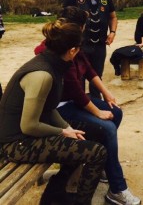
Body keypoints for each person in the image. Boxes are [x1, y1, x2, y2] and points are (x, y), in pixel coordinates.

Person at [35, 7, 141, 205]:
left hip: (74, 100)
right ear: (80, 27)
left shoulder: (74, 43)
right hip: (57, 108)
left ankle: (101, 162)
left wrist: (107, 93)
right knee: (107, 127)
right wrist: (97, 112)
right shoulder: (55, 48)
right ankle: (117, 189)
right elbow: (74, 86)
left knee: (116, 113)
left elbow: (89, 70)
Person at [0, 19, 107, 205]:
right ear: (73, 51)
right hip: (15, 144)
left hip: (26, 135)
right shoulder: (42, 75)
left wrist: (67, 127)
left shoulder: (52, 63)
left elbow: (48, 109)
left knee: (95, 132)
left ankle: (54, 197)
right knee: (97, 153)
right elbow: (29, 125)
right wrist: (62, 131)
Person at [63, 0, 118, 99]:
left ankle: (96, 101)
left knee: (97, 75)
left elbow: (113, 17)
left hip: (100, 45)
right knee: (79, 76)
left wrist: (112, 32)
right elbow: (63, 19)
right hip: (79, 46)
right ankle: (80, 104)